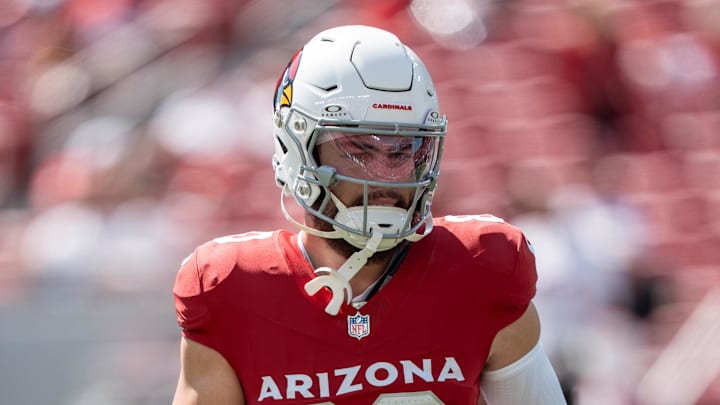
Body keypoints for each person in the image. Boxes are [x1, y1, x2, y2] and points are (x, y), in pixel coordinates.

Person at [171, 25, 566, 405]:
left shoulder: (481, 268)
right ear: (297, 151)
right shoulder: (231, 289)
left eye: (403, 151)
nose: (386, 177)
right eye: (358, 150)